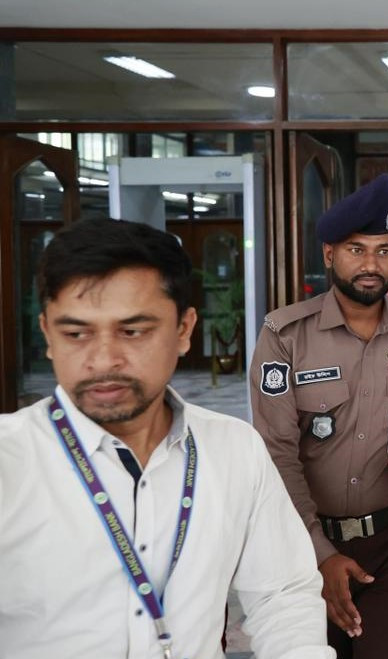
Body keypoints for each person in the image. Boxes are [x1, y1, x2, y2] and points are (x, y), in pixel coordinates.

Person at [0, 218, 332, 659]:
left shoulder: (234, 449)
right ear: (46, 334)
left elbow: (283, 595)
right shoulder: (11, 460)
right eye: (76, 333)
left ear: (183, 330)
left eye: (133, 331)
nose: (103, 359)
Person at [250, 174, 388, 659]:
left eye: (383, 251)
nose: (370, 265)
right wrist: (321, 554)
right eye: (356, 250)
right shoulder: (286, 334)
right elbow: (275, 453)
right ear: (328, 254)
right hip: (305, 542)